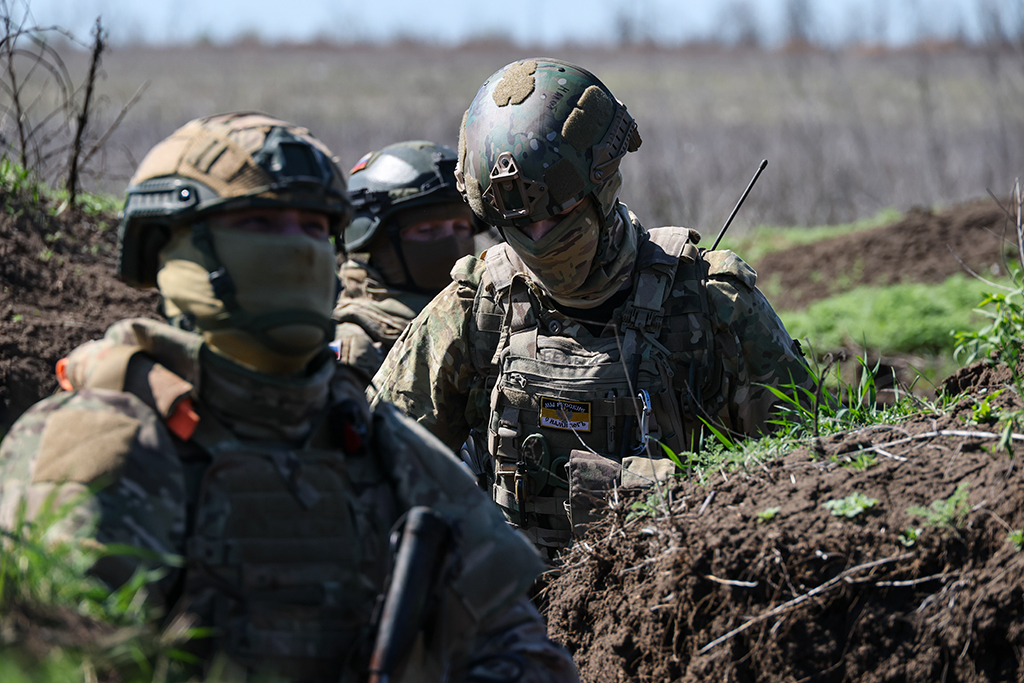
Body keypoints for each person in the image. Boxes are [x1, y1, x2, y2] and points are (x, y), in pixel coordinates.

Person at [0, 113, 577, 683]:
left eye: (311, 227)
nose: (298, 249)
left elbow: (521, 646)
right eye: (262, 223)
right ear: (176, 249)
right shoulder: (103, 443)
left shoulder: (374, 443)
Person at [370, 59, 814, 557]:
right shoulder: (477, 306)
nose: (540, 240)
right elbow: (374, 462)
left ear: (599, 187)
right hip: (517, 613)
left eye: (557, 215)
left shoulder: (713, 305)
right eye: (521, 224)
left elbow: (804, 478)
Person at [333, 140, 484, 379]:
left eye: (461, 227)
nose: (452, 243)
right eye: (427, 230)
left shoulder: (487, 325)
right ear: (377, 242)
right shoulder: (357, 348)